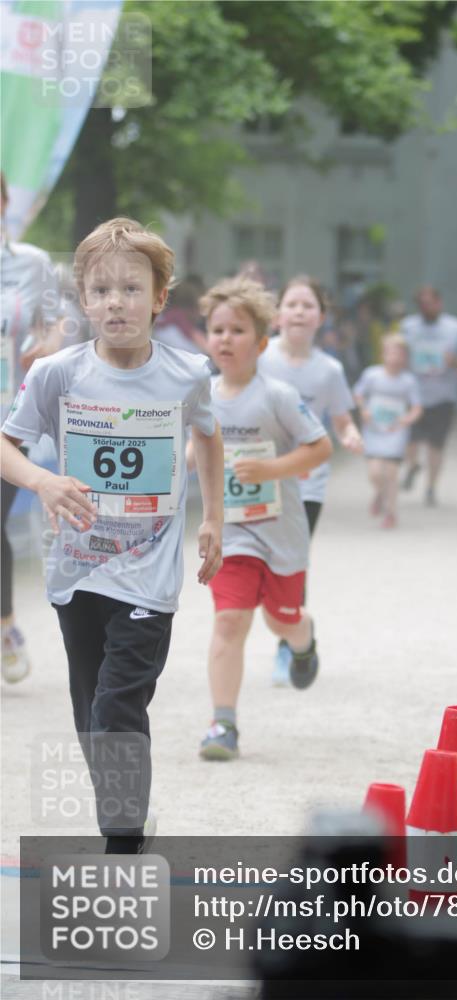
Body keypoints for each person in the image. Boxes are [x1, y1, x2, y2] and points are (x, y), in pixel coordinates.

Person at [1, 217, 224, 852]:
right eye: (100, 291)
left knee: (116, 709)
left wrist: (214, 517)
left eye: (130, 289)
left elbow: (208, 435)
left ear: (159, 298)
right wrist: (44, 482)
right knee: (90, 718)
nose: (115, 303)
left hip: (148, 574)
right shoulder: (57, 374)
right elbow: (6, 445)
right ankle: (128, 815)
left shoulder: (187, 374)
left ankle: (121, 847)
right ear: (83, 299)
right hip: (77, 570)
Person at [194, 276, 332, 761]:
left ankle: (303, 639)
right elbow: (192, 450)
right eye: (218, 330)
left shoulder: (278, 395)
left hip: (281, 532)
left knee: (280, 619)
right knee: (230, 620)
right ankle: (223, 724)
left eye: (237, 330)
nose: (226, 339)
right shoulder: (202, 396)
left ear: (260, 343)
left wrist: (270, 469)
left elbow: (321, 447)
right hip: (231, 531)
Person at [257, 275, 362, 684]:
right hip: (258, 478)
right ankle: (294, 629)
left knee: (291, 562)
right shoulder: (259, 357)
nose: (299, 312)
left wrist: (350, 434)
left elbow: (341, 418)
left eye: (308, 305)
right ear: (277, 314)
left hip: (306, 483)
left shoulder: (329, 370)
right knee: (257, 561)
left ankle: (288, 646)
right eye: (292, 304)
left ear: (321, 317)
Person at [1, 171, 63, 683]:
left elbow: (59, 321)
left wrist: (49, 344)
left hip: (7, 419)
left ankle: (4, 627)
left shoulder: (33, 263)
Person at [400, 285, 457, 506]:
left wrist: (454, 363)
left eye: (430, 303)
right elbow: (399, 356)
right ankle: (412, 466)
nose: (426, 307)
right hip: (414, 394)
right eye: (422, 304)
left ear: (439, 303)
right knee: (410, 439)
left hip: (444, 395)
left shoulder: (456, 328)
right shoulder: (408, 327)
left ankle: (431, 488)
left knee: (435, 445)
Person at [354, 334, 422, 529]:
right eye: (390, 353)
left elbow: (417, 407)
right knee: (375, 473)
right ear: (383, 354)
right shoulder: (372, 375)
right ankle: (380, 493)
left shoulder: (408, 381)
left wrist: (407, 419)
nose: (394, 357)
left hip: (395, 431)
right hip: (374, 430)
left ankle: (391, 512)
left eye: (399, 353)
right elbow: (358, 394)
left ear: (405, 357)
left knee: (391, 473)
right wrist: (364, 410)